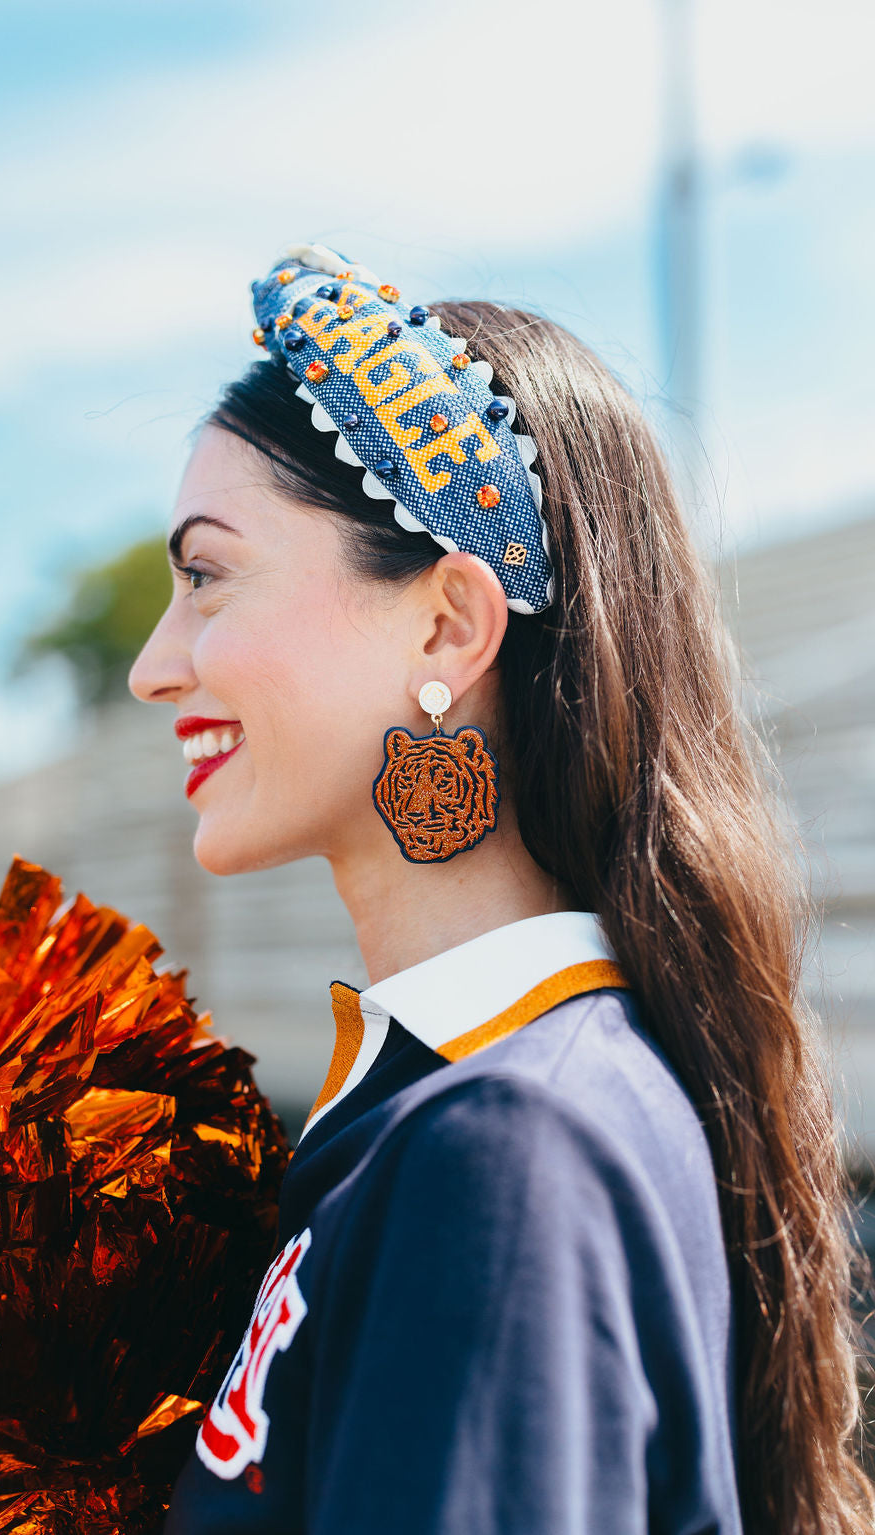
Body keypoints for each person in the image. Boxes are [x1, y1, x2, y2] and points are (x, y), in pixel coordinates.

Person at [128, 242, 874, 1533]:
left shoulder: (506, 1148)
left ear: (447, 627)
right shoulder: (463, 1112)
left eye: (205, 576)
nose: (155, 665)